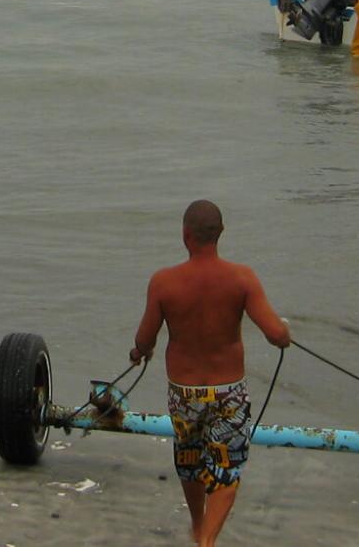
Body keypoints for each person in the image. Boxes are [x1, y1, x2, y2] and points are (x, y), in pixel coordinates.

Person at [129, 199, 290, 547]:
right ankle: (207, 541)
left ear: (185, 236)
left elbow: (144, 339)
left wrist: (139, 353)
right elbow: (276, 334)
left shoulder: (163, 282)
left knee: (190, 459)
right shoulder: (242, 278)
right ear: (221, 234)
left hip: (183, 391)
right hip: (227, 392)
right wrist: (285, 336)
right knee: (226, 468)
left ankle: (198, 525)